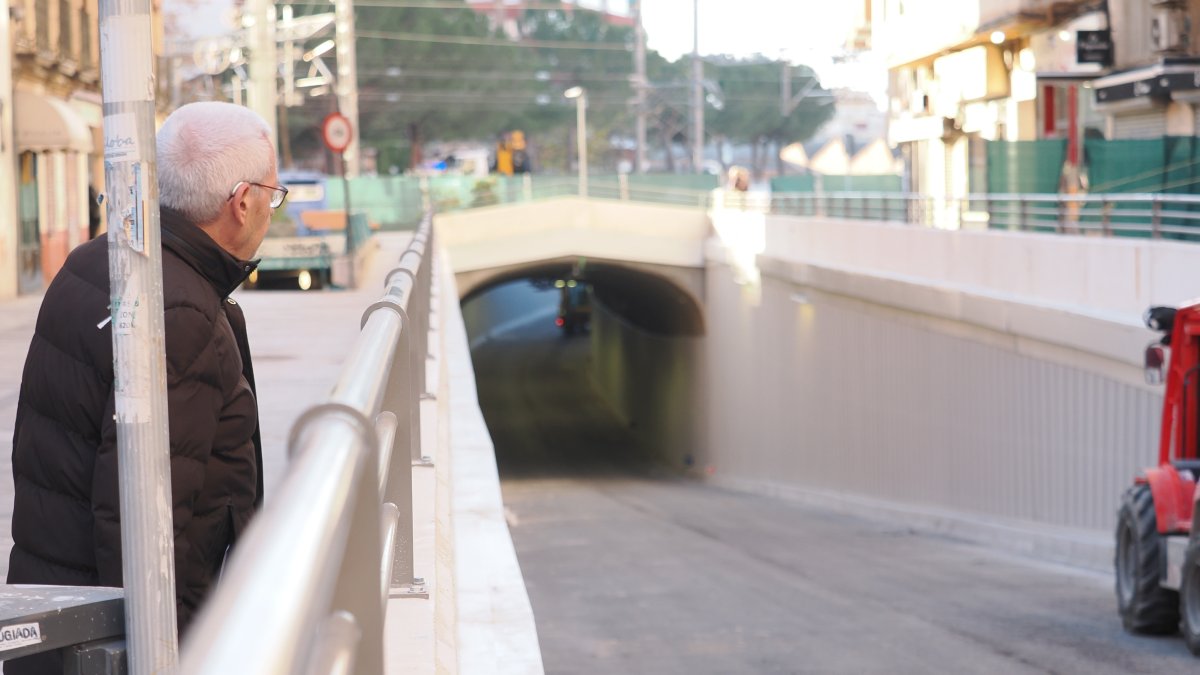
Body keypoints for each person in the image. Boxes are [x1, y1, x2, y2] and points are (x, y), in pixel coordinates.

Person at [5, 102, 283, 673]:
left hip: (60, 616)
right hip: (110, 640)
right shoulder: (178, 309)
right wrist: (164, 655)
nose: (271, 212)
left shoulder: (95, 262)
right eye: (274, 196)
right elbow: (141, 524)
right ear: (242, 201)